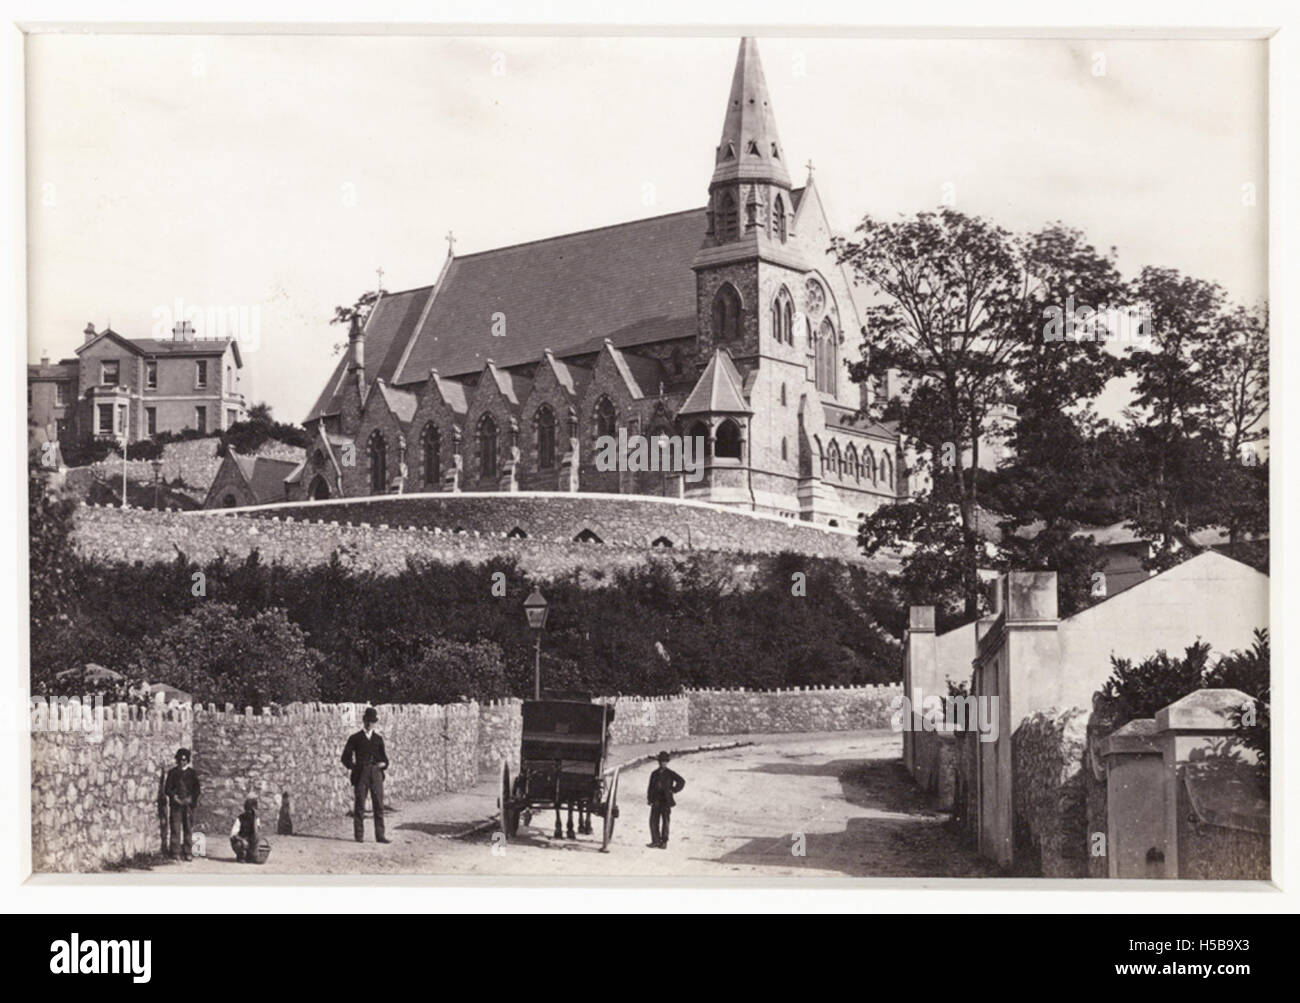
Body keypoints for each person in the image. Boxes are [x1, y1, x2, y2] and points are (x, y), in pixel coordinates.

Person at [341, 707, 390, 843]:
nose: (370, 724)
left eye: (372, 722)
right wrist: (355, 767)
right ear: (363, 721)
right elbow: (345, 757)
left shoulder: (378, 739)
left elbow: (385, 759)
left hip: (376, 774)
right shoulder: (355, 738)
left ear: (375, 723)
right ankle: (359, 836)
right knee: (360, 805)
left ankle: (380, 836)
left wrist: (383, 765)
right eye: (368, 721)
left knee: (379, 805)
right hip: (361, 774)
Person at [164, 747, 201, 861]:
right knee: (175, 828)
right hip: (176, 805)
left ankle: (188, 852)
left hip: (189, 806)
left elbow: (197, 790)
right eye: (180, 759)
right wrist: (174, 797)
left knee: (188, 828)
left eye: (184, 759)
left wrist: (190, 799)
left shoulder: (192, 773)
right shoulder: (172, 773)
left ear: (188, 760)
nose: (182, 761)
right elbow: (167, 789)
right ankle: (175, 852)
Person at [646, 751, 684, 849]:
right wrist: (649, 798)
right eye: (661, 761)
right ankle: (655, 841)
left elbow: (681, 781)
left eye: (665, 761)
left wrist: (674, 790)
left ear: (667, 762)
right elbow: (650, 787)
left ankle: (664, 841)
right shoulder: (654, 774)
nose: (663, 763)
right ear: (658, 762)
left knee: (665, 821)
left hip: (666, 801)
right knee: (653, 821)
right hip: (656, 800)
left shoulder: (670, 773)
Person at [230, 797, 264, 863]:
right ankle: (241, 856)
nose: (250, 812)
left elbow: (256, 834)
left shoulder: (256, 819)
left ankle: (251, 856)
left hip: (250, 842)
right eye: (248, 810)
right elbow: (233, 834)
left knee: (257, 838)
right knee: (239, 844)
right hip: (241, 841)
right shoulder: (240, 818)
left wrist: (254, 819)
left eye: (251, 811)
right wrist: (242, 840)